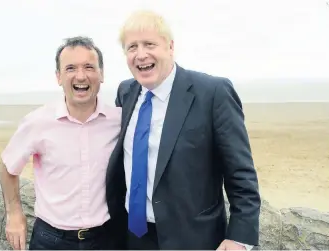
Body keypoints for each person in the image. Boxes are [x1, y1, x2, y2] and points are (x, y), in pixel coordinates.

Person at [106, 10, 261, 250]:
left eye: (149, 44)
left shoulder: (213, 93)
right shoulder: (125, 92)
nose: (141, 54)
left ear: (170, 46)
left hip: (194, 239)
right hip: (134, 238)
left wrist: (239, 238)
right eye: (132, 47)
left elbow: (241, 174)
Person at [0, 36, 122, 250]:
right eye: (71, 68)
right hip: (51, 241)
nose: (81, 76)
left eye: (89, 67)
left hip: (106, 239)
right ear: (58, 76)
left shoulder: (119, 121)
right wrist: (14, 214)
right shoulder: (37, 122)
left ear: (101, 74)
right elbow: (8, 166)